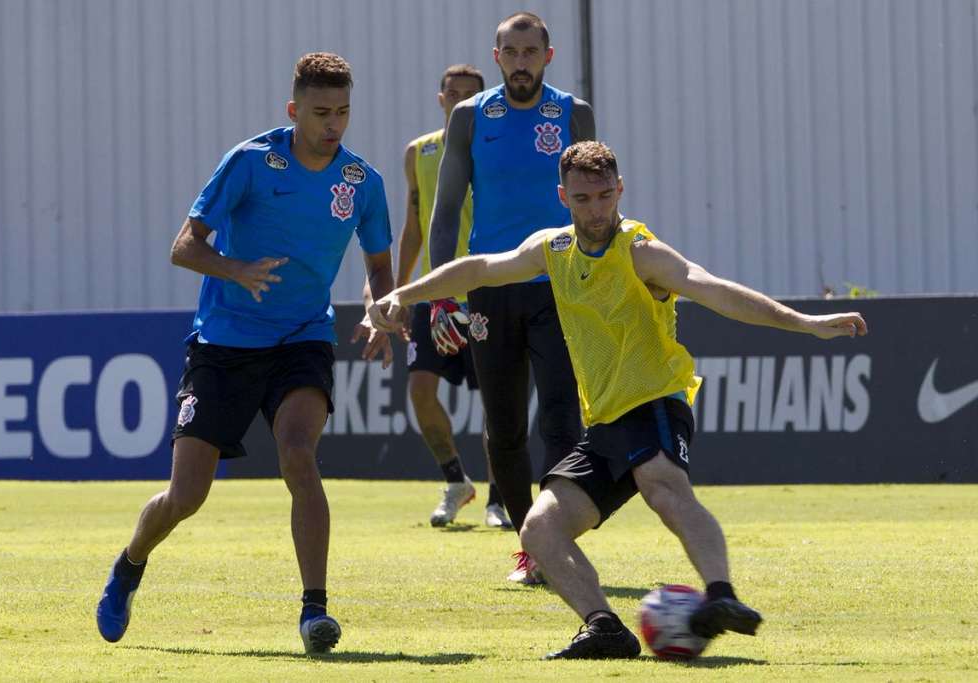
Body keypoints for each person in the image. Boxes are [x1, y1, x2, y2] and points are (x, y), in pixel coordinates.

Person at [371, 140, 868, 659]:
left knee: (662, 485)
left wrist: (805, 323)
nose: (597, 210)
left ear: (620, 190)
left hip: (654, 400)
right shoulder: (553, 249)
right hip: (604, 423)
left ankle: (721, 596)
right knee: (539, 530)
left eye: (606, 195)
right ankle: (604, 627)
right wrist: (402, 294)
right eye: (584, 198)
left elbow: (710, 287)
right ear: (563, 196)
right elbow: (478, 269)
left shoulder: (639, 250)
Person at [95, 53, 396, 655]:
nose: (333, 124)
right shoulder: (250, 161)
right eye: (320, 113)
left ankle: (315, 612)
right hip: (224, 344)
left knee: (298, 455)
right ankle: (129, 565)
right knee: (186, 497)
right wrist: (236, 270)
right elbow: (183, 248)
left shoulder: (363, 182)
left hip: (302, 337)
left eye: (342, 112)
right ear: (294, 110)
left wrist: (378, 308)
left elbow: (379, 266)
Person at [427, 11, 596, 583]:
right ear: (496, 57)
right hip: (491, 291)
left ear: (549, 56)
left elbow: (596, 202)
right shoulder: (472, 117)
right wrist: (442, 293)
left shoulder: (573, 113)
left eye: (531, 52)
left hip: (560, 287)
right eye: (511, 53)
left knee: (560, 419)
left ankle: (556, 543)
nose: (521, 62)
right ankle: (532, 546)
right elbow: (446, 209)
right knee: (502, 429)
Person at [398, 64, 511, 529]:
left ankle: (499, 499)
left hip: (486, 291)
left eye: (471, 95)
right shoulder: (419, 152)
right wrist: (397, 290)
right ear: (441, 98)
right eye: (454, 93)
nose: (460, 101)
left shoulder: (498, 149)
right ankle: (455, 481)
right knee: (420, 391)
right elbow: (414, 225)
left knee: (497, 403)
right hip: (435, 295)